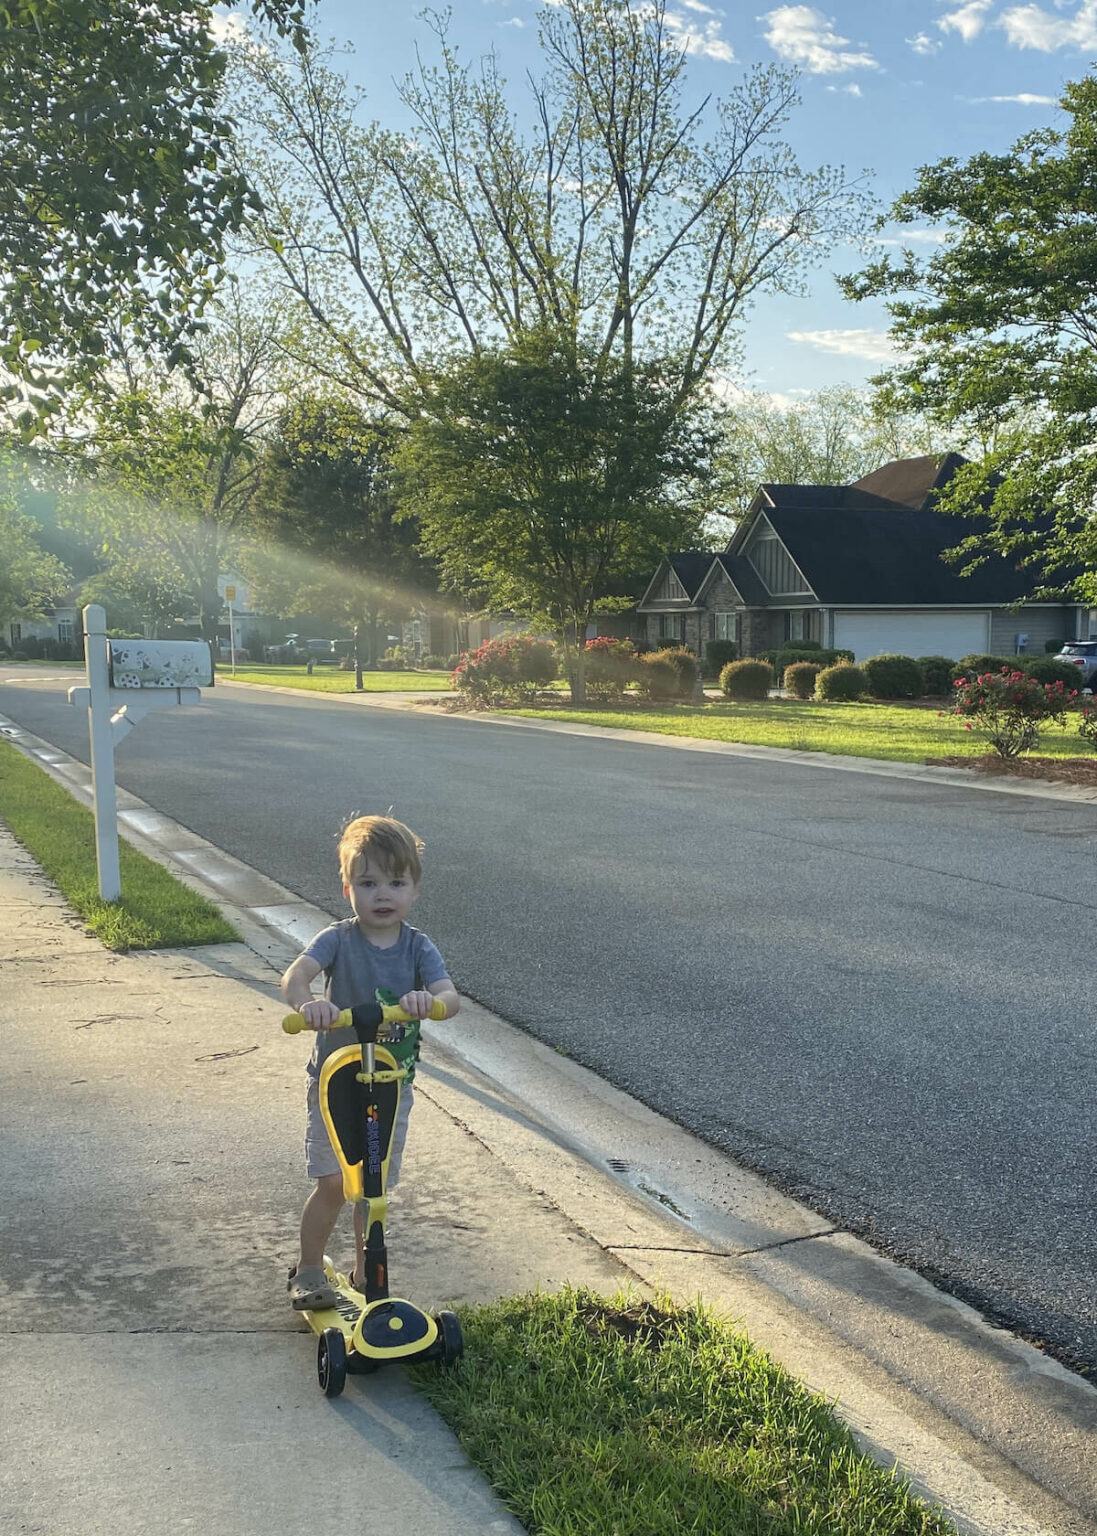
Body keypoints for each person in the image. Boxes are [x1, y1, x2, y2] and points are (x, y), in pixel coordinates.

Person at [280, 813, 459, 1309]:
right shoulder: (338, 939)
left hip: (389, 1083)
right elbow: (295, 977)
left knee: (372, 1189)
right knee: (336, 1182)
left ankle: (367, 1276)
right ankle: (310, 1269)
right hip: (336, 1083)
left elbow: (450, 994)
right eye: (368, 882)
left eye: (396, 882)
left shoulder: (418, 947)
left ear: (414, 890)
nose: (383, 894)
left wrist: (433, 1001)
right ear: (347, 889)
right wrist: (308, 1003)